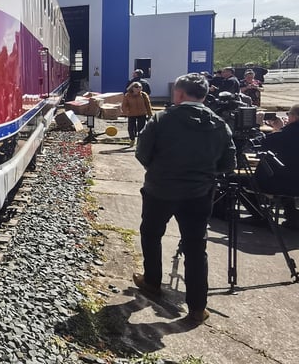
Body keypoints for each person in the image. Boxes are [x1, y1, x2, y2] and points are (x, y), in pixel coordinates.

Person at [133, 73, 236, 325]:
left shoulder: (161, 119)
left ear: (179, 93)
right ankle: (198, 308)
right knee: (195, 247)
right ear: (205, 95)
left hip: (160, 191)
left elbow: (142, 153)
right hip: (199, 195)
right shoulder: (220, 124)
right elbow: (227, 163)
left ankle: (152, 282)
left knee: (151, 234)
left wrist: (161, 171)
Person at [259, 103, 299, 228]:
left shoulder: (288, 133)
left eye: (289, 114)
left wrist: (259, 124)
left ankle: (260, 215)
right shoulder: (288, 132)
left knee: (243, 180)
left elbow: (262, 143)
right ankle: (293, 218)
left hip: (287, 181)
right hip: (292, 179)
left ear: (294, 117)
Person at [120, 81, 153, 146]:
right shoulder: (127, 95)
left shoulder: (143, 95)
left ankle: (140, 142)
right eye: (137, 87)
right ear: (132, 88)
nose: (139, 88)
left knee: (141, 128)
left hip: (142, 114)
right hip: (131, 114)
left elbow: (148, 105)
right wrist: (126, 112)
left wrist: (150, 114)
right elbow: (124, 105)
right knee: (130, 128)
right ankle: (132, 139)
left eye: (140, 87)